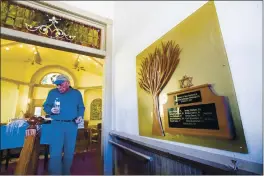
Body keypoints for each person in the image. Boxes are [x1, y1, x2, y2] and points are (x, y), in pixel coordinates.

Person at [42, 74, 85, 175]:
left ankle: (66, 172)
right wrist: (51, 110)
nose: (58, 87)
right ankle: (55, 173)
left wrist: (80, 116)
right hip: (56, 125)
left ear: (68, 83)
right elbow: (46, 106)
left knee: (69, 151)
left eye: (60, 85)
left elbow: (81, 107)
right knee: (55, 151)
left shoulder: (76, 93)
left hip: (72, 125)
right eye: (57, 85)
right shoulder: (52, 93)